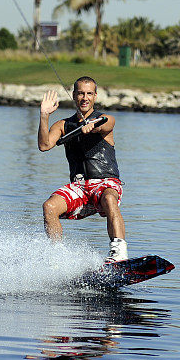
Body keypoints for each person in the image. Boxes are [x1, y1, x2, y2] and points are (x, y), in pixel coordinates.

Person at [37, 76, 127, 263]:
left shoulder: (105, 120)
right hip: (79, 187)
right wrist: (44, 115)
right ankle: (57, 259)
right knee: (49, 206)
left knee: (110, 198)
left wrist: (92, 126)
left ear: (95, 96)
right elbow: (44, 145)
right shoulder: (63, 126)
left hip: (105, 183)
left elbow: (108, 122)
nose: (84, 98)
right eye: (80, 94)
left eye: (89, 94)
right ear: (74, 96)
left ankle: (119, 253)